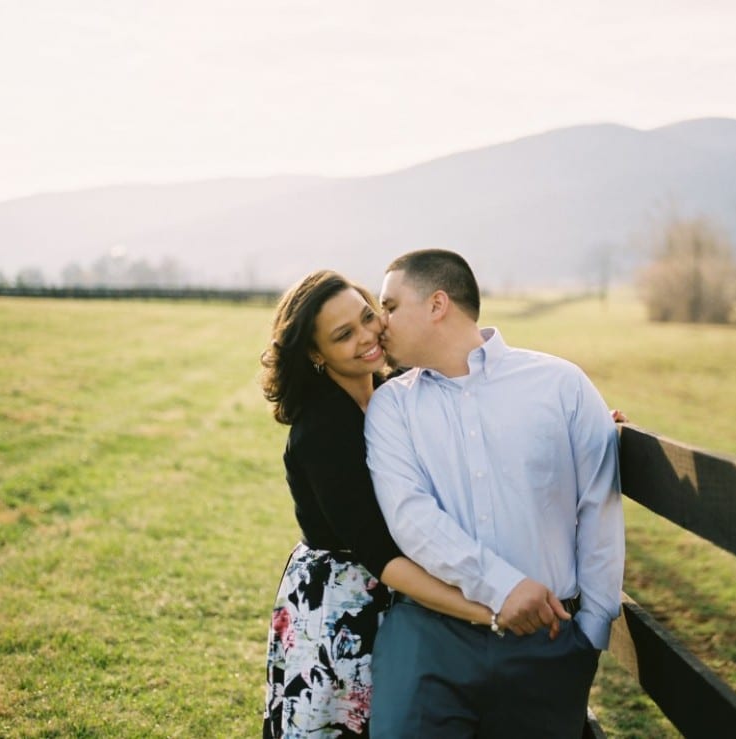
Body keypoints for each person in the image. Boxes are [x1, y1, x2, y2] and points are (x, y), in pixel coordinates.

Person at [365, 249, 625, 738]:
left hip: (548, 642)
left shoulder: (560, 384)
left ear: (437, 303)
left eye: (390, 305)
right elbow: (411, 518)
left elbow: (599, 507)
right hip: (429, 638)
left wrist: (590, 632)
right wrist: (501, 586)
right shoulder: (391, 407)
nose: (380, 323)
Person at [258, 270, 496, 738]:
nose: (367, 336)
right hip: (344, 604)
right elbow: (379, 553)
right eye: (344, 335)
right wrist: (489, 611)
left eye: (369, 317)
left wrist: (578, 426)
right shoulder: (322, 429)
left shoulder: (400, 387)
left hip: (407, 594)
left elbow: (479, 414)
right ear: (315, 354)